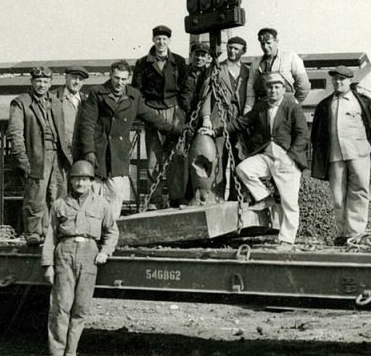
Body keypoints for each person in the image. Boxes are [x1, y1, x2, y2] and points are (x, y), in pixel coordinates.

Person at [212, 73, 308, 250]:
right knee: (243, 169)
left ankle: (287, 239)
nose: (273, 90)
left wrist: (291, 156)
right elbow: (242, 122)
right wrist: (216, 131)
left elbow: (303, 135)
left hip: (286, 159)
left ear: (283, 89)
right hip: (266, 155)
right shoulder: (261, 106)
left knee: (289, 201)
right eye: (270, 87)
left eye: (277, 87)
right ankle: (266, 197)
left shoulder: (292, 107)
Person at [77, 60, 182, 216]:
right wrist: (89, 151)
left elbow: (151, 116)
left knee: (116, 196)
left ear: (128, 78)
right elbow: (87, 124)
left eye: (123, 79)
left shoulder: (134, 96)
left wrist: (174, 130)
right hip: (99, 152)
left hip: (118, 156)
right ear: (110, 76)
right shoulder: (96, 93)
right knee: (93, 195)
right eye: (116, 78)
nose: (119, 83)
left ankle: (111, 232)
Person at [41, 160, 118, 356]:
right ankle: (57, 352)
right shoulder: (60, 205)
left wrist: (105, 251)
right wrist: (48, 265)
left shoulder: (102, 205)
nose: (80, 183)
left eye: (84, 179)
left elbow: (112, 231)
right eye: (76, 179)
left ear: (91, 182)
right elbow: (51, 236)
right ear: (71, 181)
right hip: (64, 253)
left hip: (89, 254)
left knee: (81, 307)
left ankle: (71, 353)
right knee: (61, 304)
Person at [310, 66, 371, 245]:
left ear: (350, 81)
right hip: (335, 156)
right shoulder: (325, 105)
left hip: (359, 154)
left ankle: (356, 234)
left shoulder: (364, 102)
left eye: (342, 79)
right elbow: (316, 134)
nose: (338, 82)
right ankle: (342, 233)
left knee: (359, 192)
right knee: (338, 196)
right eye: (335, 79)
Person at [180, 37, 250, 203]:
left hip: (239, 119)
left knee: (240, 157)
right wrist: (206, 118)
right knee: (218, 158)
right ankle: (216, 195)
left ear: (243, 51)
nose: (233, 51)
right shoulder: (217, 68)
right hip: (219, 117)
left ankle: (237, 197)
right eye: (230, 48)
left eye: (237, 49)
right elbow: (206, 93)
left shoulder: (247, 71)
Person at [132, 25, 189, 204]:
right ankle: (155, 199)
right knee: (153, 157)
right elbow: (137, 91)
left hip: (174, 111)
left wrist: (182, 110)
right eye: (158, 38)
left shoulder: (179, 62)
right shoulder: (142, 63)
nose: (161, 42)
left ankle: (177, 198)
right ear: (153, 40)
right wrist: (145, 112)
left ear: (169, 41)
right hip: (152, 112)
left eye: (164, 39)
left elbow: (185, 87)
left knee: (176, 155)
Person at [7, 66, 60, 245]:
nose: (41, 85)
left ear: (50, 83)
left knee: (55, 194)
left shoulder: (56, 102)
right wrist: (22, 159)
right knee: (36, 195)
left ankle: (51, 231)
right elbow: (15, 133)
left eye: (45, 82)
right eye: (38, 81)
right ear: (32, 82)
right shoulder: (21, 102)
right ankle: (33, 233)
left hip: (56, 154)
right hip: (36, 155)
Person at [243, 27, 310, 114]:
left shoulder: (291, 57)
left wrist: (295, 102)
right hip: (263, 110)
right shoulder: (255, 64)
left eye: (268, 43)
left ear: (276, 42)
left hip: (286, 109)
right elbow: (250, 93)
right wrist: (247, 113)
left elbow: (304, 85)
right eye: (262, 44)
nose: (265, 47)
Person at [50, 65, 90, 201]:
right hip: (59, 153)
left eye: (80, 79)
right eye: (74, 78)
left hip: (78, 153)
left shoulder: (86, 101)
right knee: (57, 191)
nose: (77, 82)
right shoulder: (53, 98)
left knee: (78, 190)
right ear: (66, 78)